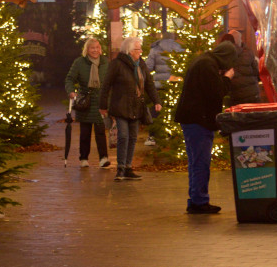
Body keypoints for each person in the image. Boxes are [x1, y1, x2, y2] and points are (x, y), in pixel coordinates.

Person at [173, 40, 237, 214]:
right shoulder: (207, 65)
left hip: (194, 119)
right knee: (200, 162)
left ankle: (197, 199)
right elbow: (216, 92)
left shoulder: (205, 61)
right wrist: (227, 78)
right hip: (198, 121)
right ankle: (199, 201)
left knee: (197, 161)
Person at [100, 36, 160, 182]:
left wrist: (156, 101)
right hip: (120, 105)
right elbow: (106, 85)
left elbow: (149, 83)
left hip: (136, 106)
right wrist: (103, 105)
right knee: (123, 136)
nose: (141, 51)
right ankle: (120, 168)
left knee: (133, 137)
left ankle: (128, 167)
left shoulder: (141, 64)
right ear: (129, 50)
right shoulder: (117, 64)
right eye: (138, 49)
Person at [64, 37, 110, 168]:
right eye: (92, 48)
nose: (95, 50)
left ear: (100, 49)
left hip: (100, 101)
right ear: (87, 50)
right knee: (85, 132)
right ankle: (83, 158)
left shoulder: (105, 62)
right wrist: (71, 92)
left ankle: (103, 158)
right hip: (85, 102)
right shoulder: (79, 62)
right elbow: (69, 79)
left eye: (97, 47)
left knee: (100, 131)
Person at [220, 30, 263, 105]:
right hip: (252, 93)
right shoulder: (248, 52)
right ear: (238, 40)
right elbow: (256, 72)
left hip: (235, 96)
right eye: (240, 38)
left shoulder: (225, 54)